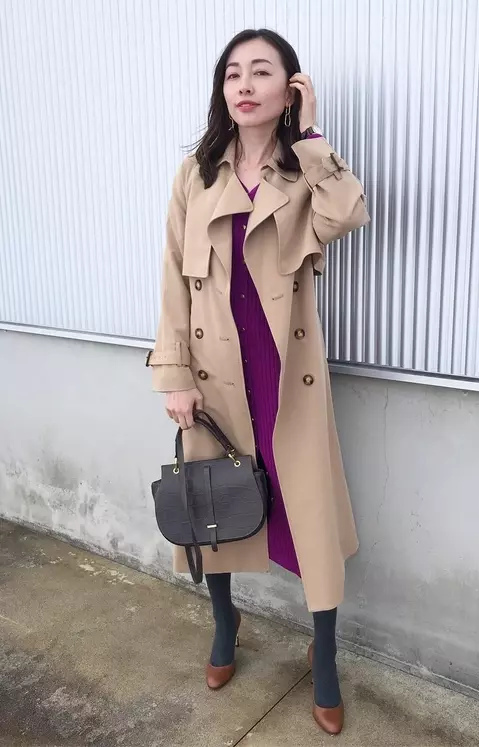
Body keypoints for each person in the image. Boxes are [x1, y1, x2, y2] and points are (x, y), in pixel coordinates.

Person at [147, 28, 369, 735]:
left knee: (308, 514)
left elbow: (348, 213)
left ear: (290, 87)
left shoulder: (303, 168)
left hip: (284, 372)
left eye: (262, 71)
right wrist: (174, 375)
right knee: (211, 504)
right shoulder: (195, 174)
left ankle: (324, 651)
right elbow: (172, 281)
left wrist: (311, 136)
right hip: (211, 372)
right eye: (232, 73)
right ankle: (224, 621)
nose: (244, 85)